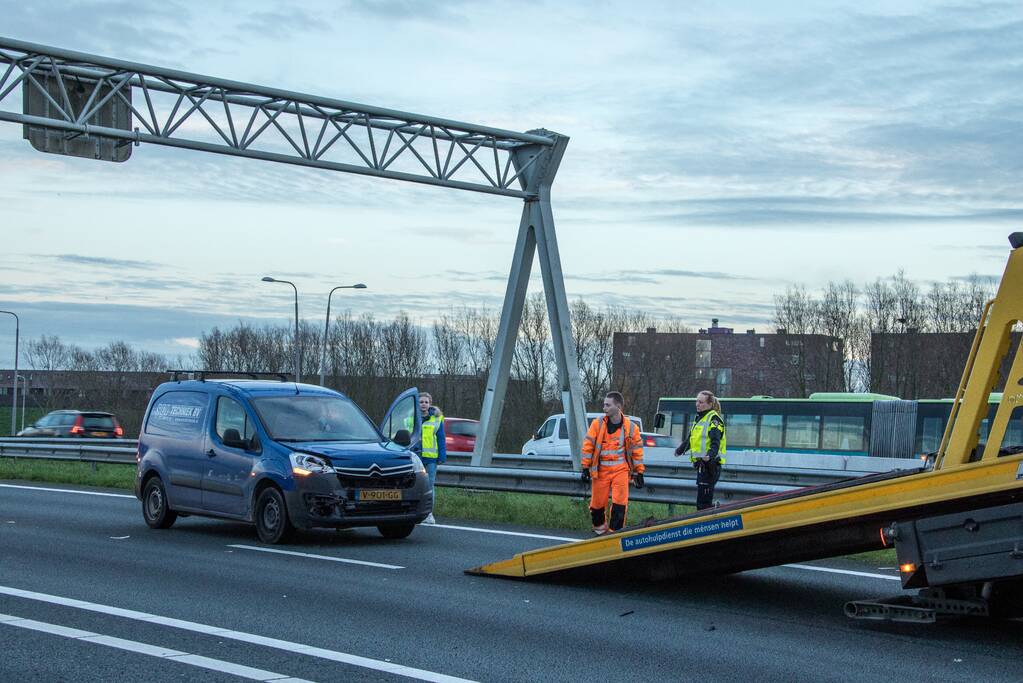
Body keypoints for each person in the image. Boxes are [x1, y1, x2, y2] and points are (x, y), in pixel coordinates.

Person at [581, 391, 645, 534]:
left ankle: (614, 535)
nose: (604, 408)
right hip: (601, 471)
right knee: (597, 505)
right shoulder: (597, 424)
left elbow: (637, 451)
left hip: (621, 470)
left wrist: (639, 472)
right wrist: (585, 467)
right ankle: (600, 532)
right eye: (604, 405)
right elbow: (588, 446)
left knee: (619, 504)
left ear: (618, 406)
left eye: (608, 405)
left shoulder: (631, 427)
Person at [675, 390, 726, 510]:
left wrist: (709, 455)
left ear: (709, 404)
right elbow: (691, 439)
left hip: (710, 465)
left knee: (703, 505)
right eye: (697, 401)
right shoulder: (699, 418)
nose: (697, 404)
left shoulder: (714, 419)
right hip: (702, 465)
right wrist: (680, 450)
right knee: (702, 503)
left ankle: (712, 522)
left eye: (701, 402)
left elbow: (715, 441)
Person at [417, 391, 445, 525]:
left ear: (430, 404)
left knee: (430, 486)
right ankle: (415, 512)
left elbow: (441, 438)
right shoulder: (411, 417)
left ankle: (429, 514)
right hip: (416, 457)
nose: (423, 404)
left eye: (426, 402)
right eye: (421, 402)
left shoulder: (437, 419)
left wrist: (442, 456)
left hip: (431, 459)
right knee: (415, 486)